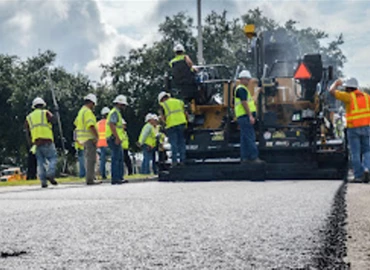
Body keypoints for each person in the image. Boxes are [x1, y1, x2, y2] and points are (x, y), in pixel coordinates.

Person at [330, 78, 370, 183]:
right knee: (367, 150)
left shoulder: (349, 97)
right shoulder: (367, 97)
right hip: (366, 127)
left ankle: (358, 176)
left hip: (353, 128)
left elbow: (331, 92)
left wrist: (336, 83)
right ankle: (367, 168)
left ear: (348, 88)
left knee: (355, 152)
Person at [25, 97, 58, 188]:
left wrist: (30, 144)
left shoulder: (29, 117)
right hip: (47, 140)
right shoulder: (46, 113)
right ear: (43, 105)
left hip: (36, 143)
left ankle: (43, 181)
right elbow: (54, 120)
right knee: (53, 158)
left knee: (40, 162)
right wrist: (56, 112)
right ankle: (50, 173)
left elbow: (27, 131)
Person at [234, 70, 263, 164]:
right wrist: (250, 116)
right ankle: (253, 157)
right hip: (245, 116)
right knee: (250, 137)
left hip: (243, 117)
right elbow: (244, 103)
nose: (249, 81)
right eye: (247, 79)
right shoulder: (241, 89)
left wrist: (257, 91)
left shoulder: (243, 90)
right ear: (242, 79)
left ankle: (245, 157)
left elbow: (251, 101)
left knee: (244, 137)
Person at [74, 94, 101, 185]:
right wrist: (97, 137)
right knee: (91, 160)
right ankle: (90, 179)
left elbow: (76, 124)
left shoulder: (81, 112)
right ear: (91, 103)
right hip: (89, 138)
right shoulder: (88, 112)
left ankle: (90, 178)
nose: (93, 107)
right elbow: (91, 125)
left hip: (83, 139)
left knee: (88, 159)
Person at [158, 92, 187, 166]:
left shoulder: (163, 105)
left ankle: (174, 161)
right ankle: (182, 160)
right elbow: (185, 113)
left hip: (171, 125)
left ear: (162, 99)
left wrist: (164, 124)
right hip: (182, 123)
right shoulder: (179, 102)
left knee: (173, 143)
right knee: (181, 143)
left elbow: (162, 117)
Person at [106, 95, 128, 184]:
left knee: (119, 158)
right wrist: (117, 137)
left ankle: (119, 177)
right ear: (119, 104)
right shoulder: (114, 112)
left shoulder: (116, 112)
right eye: (123, 105)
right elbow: (112, 125)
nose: (124, 107)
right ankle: (116, 178)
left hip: (114, 137)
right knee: (116, 158)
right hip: (114, 138)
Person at [97, 107, 110, 179]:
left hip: (100, 144)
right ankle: (115, 174)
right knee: (114, 159)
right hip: (108, 144)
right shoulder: (109, 123)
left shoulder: (98, 123)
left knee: (102, 161)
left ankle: (103, 175)